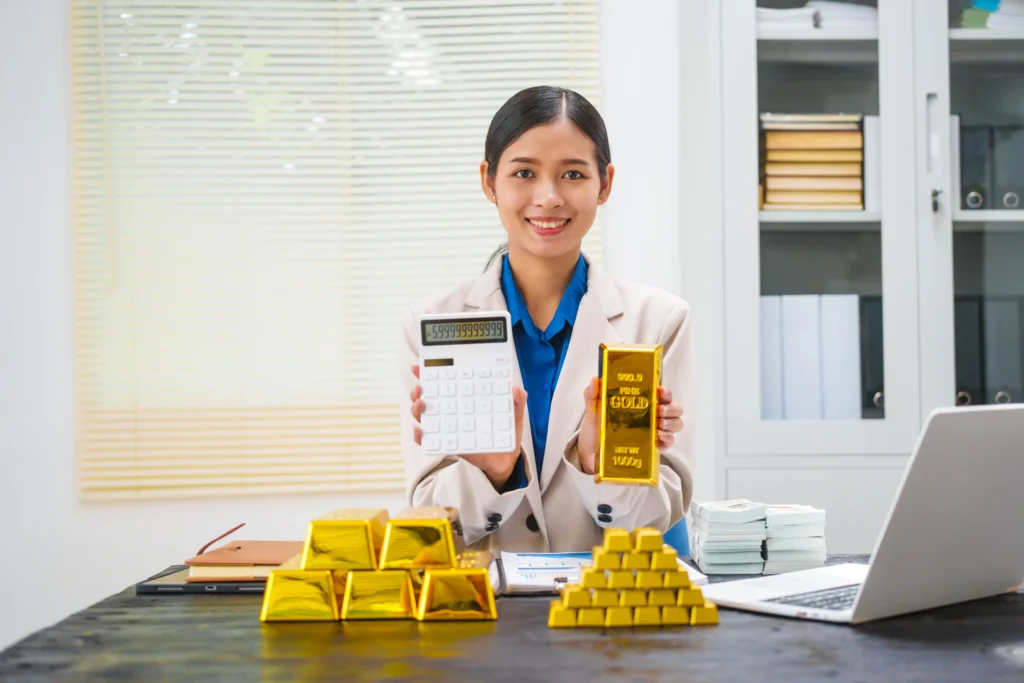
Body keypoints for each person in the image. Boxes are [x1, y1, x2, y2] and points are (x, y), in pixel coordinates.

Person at [398, 85, 693, 553]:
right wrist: (495, 471)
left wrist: (599, 463)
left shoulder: (657, 322)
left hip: (609, 610)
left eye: (573, 173)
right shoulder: (432, 324)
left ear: (606, 183)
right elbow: (429, 522)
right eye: (524, 172)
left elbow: (658, 517)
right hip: (487, 611)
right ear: (489, 181)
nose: (549, 197)